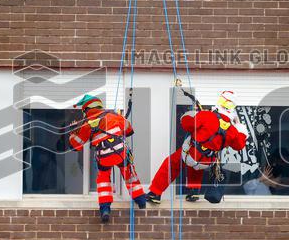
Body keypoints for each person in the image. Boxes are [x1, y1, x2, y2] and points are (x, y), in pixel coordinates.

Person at [147, 99, 247, 204]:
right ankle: (193, 190)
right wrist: (241, 129)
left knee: (172, 163)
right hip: (208, 161)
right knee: (197, 163)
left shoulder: (207, 116)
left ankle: (155, 193)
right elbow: (239, 145)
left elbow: (186, 124)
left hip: (192, 154)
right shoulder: (232, 130)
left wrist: (192, 114)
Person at [68, 94, 148, 223]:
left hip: (104, 157)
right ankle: (141, 200)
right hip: (120, 153)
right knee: (129, 173)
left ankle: (105, 208)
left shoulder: (86, 123)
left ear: (86, 109)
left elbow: (76, 145)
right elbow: (129, 130)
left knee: (103, 178)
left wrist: (72, 132)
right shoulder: (113, 115)